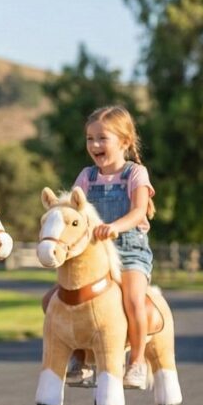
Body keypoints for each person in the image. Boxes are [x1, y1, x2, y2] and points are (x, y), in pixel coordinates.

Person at [70, 105, 156, 390]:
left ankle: (137, 364)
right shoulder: (86, 177)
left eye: (102, 138)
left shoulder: (135, 174)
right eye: (89, 138)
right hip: (95, 255)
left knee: (132, 300)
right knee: (65, 299)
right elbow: (74, 210)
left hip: (129, 251)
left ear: (125, 142)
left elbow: (138, 211)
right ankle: (80, 360)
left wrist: (115, 227)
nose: (94, 145)